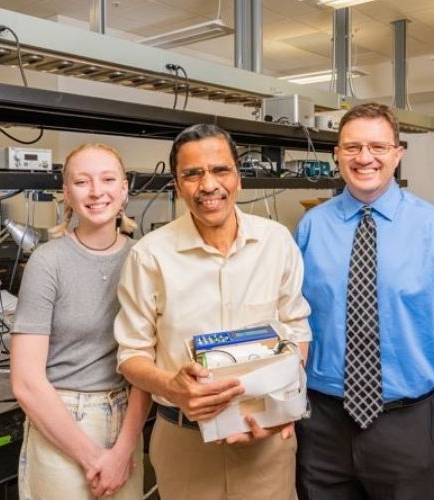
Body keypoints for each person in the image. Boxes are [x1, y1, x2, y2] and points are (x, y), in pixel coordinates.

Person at [294, 103, 434, 500]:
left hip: (410, 424)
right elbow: (292, 320)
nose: (365, 158)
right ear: (337, 155)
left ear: (398, 153)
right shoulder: (312, 227)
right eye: (352, 147)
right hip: (322, 425)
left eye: (378, 146)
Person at [114, 123, 312, 500]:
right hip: (184, 443)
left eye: (220, 170)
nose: (208, 185)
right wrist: (171, 384)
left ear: (238, 176)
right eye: (192, 174)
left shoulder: (276, 242)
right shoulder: (150, 255)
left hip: (266, 440)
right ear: (177, 183)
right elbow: (131, 355)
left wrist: (286, 401)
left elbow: (296, 330)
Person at [10, 143, 149, 499]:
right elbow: (26, 382)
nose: (97, 191)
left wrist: (122, 450)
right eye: (82, 181)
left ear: (124, 189)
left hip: (127, 421)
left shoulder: (144, 258)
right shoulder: (47, 262)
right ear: (67, 194)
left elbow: (147, 365)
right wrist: (93, 459)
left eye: (107, 179)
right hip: (62, 421)